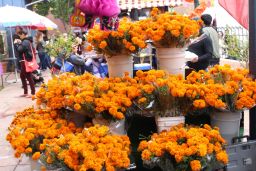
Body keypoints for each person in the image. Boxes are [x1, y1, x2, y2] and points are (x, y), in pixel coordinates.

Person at [15, 30, 36, 97]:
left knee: (28, 76)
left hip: (24, 61)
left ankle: (33, 93)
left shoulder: (25, 41)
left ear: (23, 34)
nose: (20, 36)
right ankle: (25, 92)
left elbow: (19, 50)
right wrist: (20, 43)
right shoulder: (27, 41)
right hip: (25, 61)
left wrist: (17, 44)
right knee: (22, 76)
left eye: (20, 35)